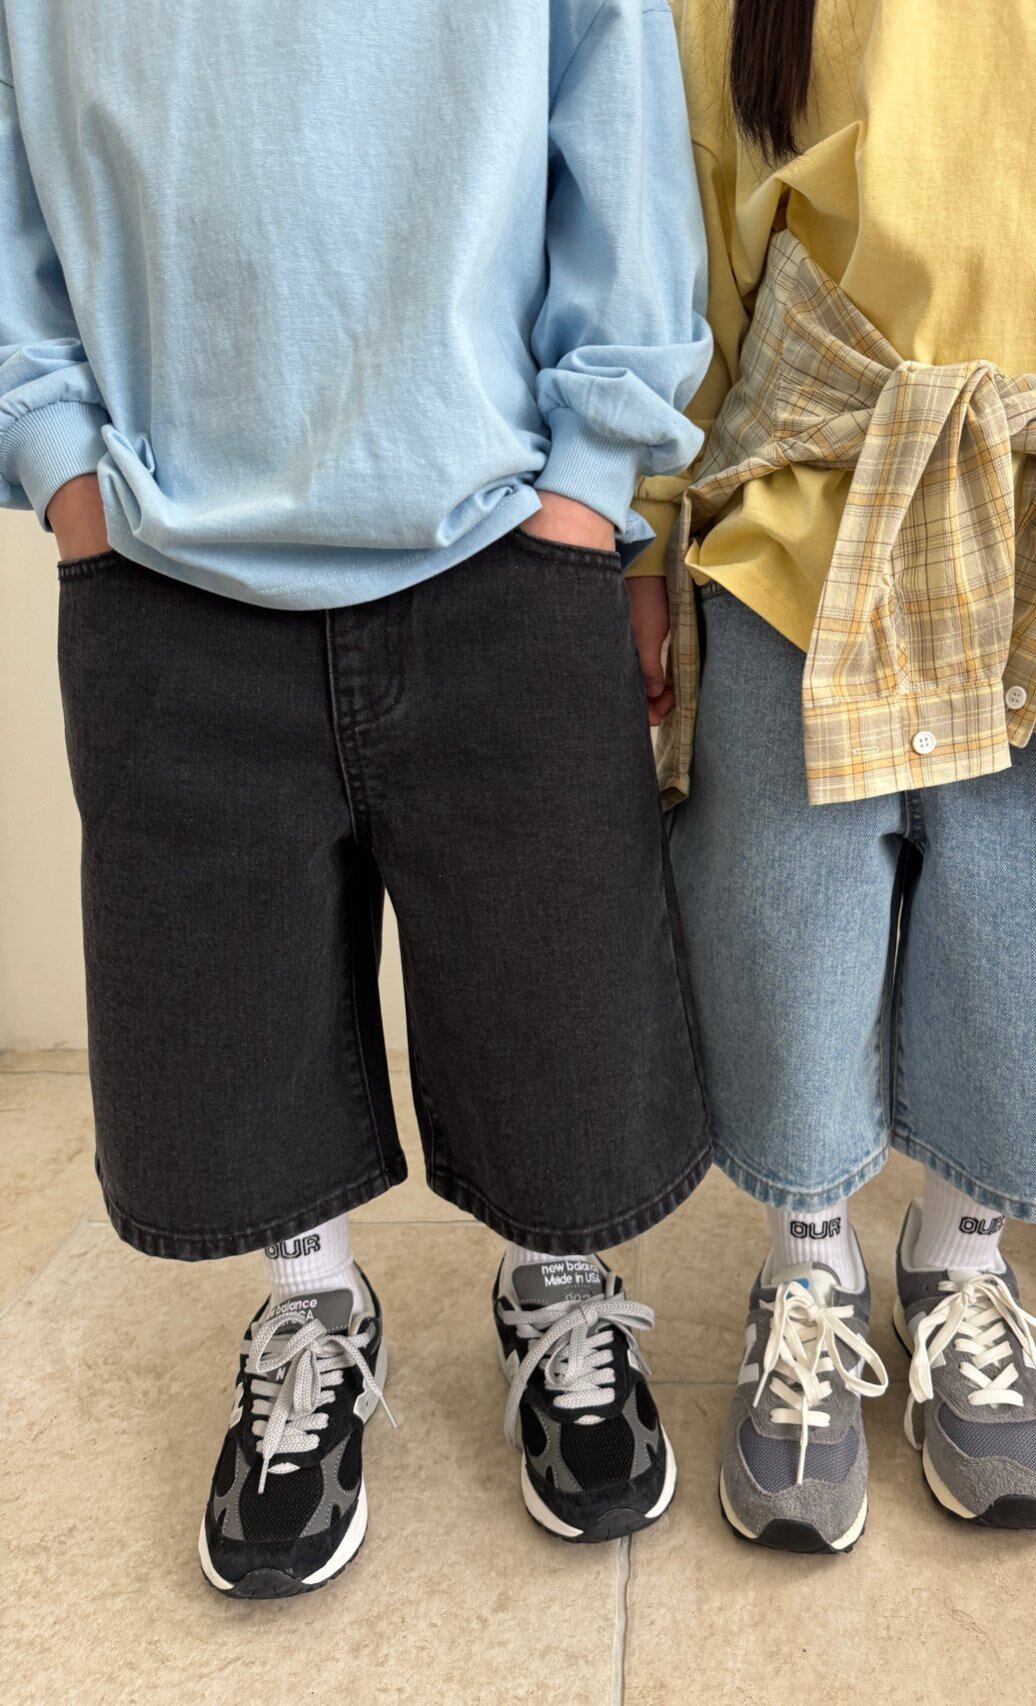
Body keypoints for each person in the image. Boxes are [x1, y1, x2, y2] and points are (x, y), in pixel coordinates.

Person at [0, 0, 712, 1594]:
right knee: (228, 1024)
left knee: (559, 1009)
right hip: (164, 553)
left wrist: (590, 484)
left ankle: (560, 1282)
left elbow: (619, 132)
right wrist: (59, 466)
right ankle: (310, 1298)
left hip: (502, 524)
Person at [624, 0, 1036, 1552]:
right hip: (805, 506)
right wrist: (647, 517)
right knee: (784, 931)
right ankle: (806, 1265)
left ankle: (958, 1255)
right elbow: (683, 201)